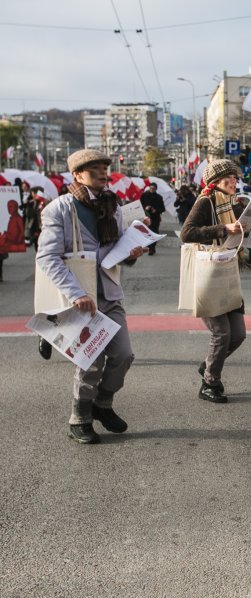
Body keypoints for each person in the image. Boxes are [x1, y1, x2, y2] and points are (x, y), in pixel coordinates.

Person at [36, 149, 147, 444]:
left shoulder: (114, 207)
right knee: (90, 361)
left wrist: (133, 252)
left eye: (103, 166)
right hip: (79, 298)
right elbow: (47, 257)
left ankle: (102, 404)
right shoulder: (59, 208)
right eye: (93, 167)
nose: (102, 171)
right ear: (77, 175)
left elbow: (117, 253)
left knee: (124, 355)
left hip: (109, 294)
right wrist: (76, 294)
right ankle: (79, 417)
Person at [180, 159, 251, 404]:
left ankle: (209, 365)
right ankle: (209, 383)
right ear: (215, 183)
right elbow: (187, 233)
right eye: (229, 179)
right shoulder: (205, 201)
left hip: (228, 271)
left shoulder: (237, 203)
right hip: (208, 273)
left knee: (238, 335)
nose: (234, 182)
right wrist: (223, 229)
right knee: (221, 333)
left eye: (235, 178)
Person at [140, 182, 165, 255]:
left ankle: (152, 248)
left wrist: (156, 210)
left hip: (155, 218)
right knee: (146, 232)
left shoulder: (159, 197)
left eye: (153, 189)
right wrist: (145, 207)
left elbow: (163, 208)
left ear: (156, 189)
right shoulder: (144, 195)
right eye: (150, 188)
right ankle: (148, 247)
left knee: (154, 232)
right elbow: (140, 204)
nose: (152, 190)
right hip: (146, 216)